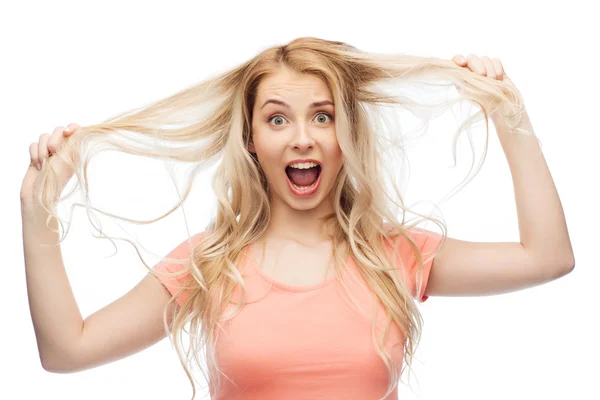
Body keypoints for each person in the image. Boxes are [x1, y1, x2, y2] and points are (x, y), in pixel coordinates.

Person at [20, 37, 574, 400]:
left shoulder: (394, 255)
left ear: (346, 135)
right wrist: (37, 208)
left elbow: (547, 258)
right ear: (253, 140)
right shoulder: (211, 264)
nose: (303, 137)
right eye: (278, 118)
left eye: (323, 116)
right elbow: (67, 351)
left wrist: (510, 117)